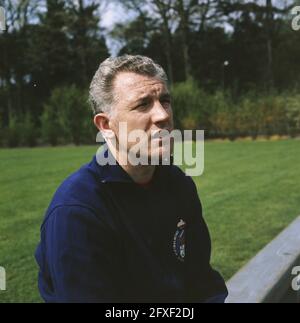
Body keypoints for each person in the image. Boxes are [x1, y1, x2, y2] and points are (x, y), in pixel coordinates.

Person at [35, 55, 228, 303]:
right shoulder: (77, 212)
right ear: (106, 125)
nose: (162, 115)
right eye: (143, 104)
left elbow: (202, 283)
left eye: (165, 100)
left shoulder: (178, 183)